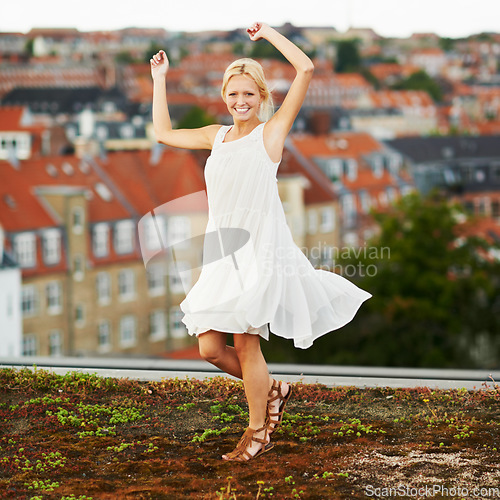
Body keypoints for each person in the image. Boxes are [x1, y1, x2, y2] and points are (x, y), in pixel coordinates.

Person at [150, 22, 371, 462]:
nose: (240, 101)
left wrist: (268, 34)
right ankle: (272, 391)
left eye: (249, 94)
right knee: (210, 347)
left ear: (262, 97)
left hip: (258, 251)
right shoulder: (216, 136)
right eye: (233, 94)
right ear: (224, 97)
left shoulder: (270, 134)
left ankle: (256, 434)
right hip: (221, 251)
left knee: (246, 343)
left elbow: (305, 68)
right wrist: (159, 81)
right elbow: (163, 134)